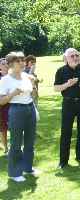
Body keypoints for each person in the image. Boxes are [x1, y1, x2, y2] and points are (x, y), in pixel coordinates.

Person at [0, 52, 39, 182]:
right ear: (11, 64)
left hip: (30, 108)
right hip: (16, 110)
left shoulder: (26, 76)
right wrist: (14, 93)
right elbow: (2, 101)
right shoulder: (5, 80)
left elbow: (33, 95)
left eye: (23, 60)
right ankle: (14, 173)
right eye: (19, 61)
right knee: (16, 142)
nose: (22, 63)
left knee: (30, 141)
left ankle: (28, 168)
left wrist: (33, 85)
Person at [54, 48, 80, 169]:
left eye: (77, 55)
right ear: (66, 58)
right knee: (66, 132)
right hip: (68, 104)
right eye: (72, 56)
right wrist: (67, 84)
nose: (75, 57)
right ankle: (63, 161)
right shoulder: (61, 71)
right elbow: (56, 88)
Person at [0, 58, 9, 154]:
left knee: (14, 126)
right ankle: (6, 148)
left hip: (12, 104)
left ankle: (15, 147)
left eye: (7, 63)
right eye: (3, 64)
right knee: (3, 129)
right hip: (1, 106)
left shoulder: (12, 76)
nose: (5, 65)